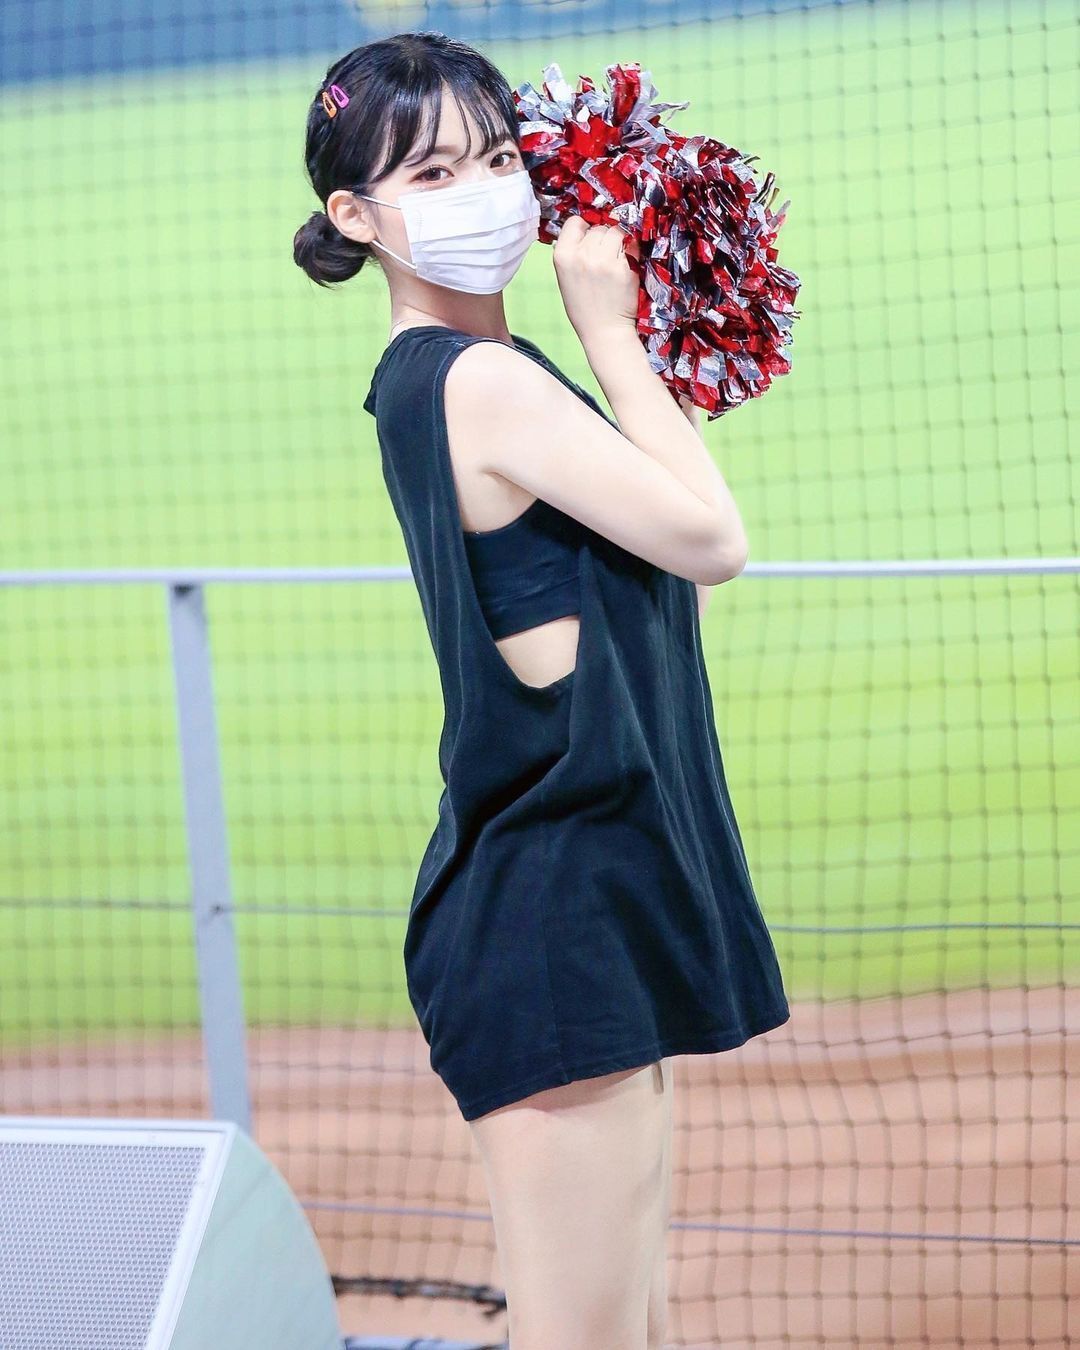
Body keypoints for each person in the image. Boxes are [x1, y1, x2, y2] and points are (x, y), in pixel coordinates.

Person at [294, 30, 791, 1350]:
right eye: (434, 173)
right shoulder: (482, 383)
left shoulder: (445, 381)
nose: (486, 193)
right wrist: (614, 332)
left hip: (583, 905)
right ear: (356, 215)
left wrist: (634, 344)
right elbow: (713, 541)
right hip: (552, 921)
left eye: (500, 158)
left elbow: (663, 571)